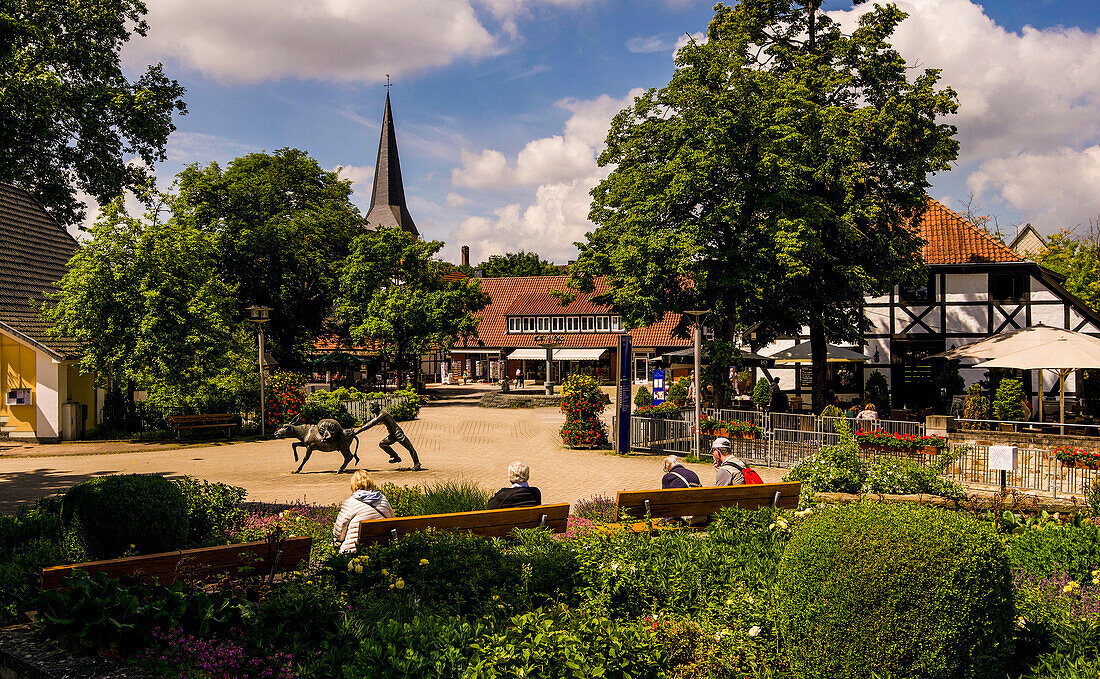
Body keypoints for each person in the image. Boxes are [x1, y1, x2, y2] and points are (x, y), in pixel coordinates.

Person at [332, 470, 394, 554]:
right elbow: (392, 521)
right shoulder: (383, 499)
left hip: (354, 551)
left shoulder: (350, 503)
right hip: (382, 549)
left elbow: (339, 532)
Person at [363, 403, 422, 470]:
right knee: (382, 444)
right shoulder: (380, 414)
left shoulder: (383, 414)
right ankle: (396, 457)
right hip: (392, 435)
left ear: (376, 407)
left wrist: (357, 432)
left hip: (398, 433)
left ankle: (417, 464)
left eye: (372, 408)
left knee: (409, 448)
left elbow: (370, 424)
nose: (371, 410)